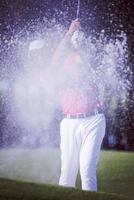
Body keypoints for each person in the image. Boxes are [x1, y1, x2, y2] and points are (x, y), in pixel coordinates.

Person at [51, 19, 106, 191]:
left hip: (93, 121)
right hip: (68, 122)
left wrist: (77, 38)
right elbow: (56, 58)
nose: (78, 43)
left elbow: (89, 60)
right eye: (76, 41)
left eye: (81, 40)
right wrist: (69, 33)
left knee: (87, 169)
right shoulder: (62, 65)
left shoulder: (88, 61)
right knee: (67, 173)